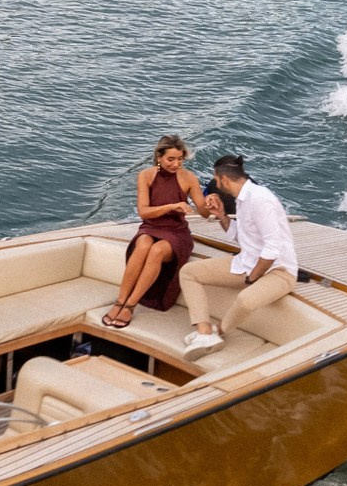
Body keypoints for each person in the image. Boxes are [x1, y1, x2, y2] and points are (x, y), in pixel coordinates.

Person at [180, 156, 298, 355]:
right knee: (188, 272)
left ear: (224, 180)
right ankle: (205, 332)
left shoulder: (260, 199)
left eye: (216, 180)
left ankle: (218, 332)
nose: (216, 185)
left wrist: (252, 278)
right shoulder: (243, 199)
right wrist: (222, 215)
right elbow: (240, 236)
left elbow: (273, 248)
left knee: (245, 299)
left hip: (279, 271)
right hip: (246, 262)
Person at [102, 135, 213, 329]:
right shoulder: (145, 176)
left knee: (157, 250)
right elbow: (144, 212)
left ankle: (130, 305)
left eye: (180, 159)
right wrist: (172, 206)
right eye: (171, 159)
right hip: (151, 226)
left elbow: (204, 213)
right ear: (159, 157)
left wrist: (209, 205)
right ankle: (120, 301)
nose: (176, 164)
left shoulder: (188, 178)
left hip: (177, 232)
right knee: (143, 244)